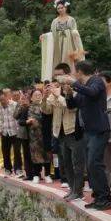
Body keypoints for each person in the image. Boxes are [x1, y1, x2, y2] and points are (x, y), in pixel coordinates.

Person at [67, 58, 111, 210]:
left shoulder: (96, 81)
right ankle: (99, 196)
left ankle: (106, 198)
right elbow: (72, 105)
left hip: (99, 129)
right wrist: (68, 94)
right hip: (88, 131)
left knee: (95, 163)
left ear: (80, 72)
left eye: (75, 71)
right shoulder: (83, 86)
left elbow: (93, 93)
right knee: (91, 165)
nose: (73, 74)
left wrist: (74, 84)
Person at [48, 70, 85, 200]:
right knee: (66, 163)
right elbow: (46, 109)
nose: (62, 85)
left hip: (74, 131)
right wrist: (47, 94)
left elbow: (72, 107)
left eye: (63, 82)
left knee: (77, 163)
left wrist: (59, 96)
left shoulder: (76, 91)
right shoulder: (56, 94)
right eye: (59, 83)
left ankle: (78, 191)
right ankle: (72, 188)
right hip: (60, 132)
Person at [40, 0, 86, 80]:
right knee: (58, 59)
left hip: (69, 43)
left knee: (69, 59)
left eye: (62, 7)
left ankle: (71, 77)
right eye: (58, 8)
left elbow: (74, 32)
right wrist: (44, 36)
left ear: (66, 8)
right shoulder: (54, 21)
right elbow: (52, 33)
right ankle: (57, 77)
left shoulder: (71, 19)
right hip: (58, 44)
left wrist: (76, 45)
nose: (60, 9)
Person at [0, 89, 22, 176]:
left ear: (7, 97)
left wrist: (19, 127)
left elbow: (19, 117)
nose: (2, 101)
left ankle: (18, 169)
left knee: (17, 151)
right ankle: (7, 169)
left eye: (3, 99)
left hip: (15, 131)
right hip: (4, 132)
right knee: (5, 152)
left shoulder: (14, 105)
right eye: (0, 100)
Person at [25, 89, 52, 182]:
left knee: (47, 154)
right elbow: (24, 119)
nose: (38, 96)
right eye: (35, 95)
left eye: (39, 94)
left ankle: (47, 175)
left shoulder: (46, 105)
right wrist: (29, 121)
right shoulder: (29, 107)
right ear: (31, 97)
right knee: (36, 155)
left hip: (46, 133)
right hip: (34, 135)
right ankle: (36, 175)